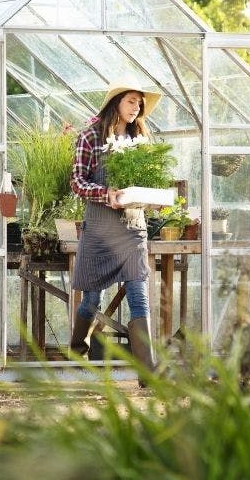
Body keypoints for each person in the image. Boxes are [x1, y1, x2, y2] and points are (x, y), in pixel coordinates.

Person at [68, 78, 162, 376]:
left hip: (132, 228)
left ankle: (148, 373)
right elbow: (77, 182)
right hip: (99, 229)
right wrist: (104, 194)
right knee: (93, 299)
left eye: (140, 103)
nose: (136, 108)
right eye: (131, 101)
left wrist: (152, 198)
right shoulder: (91, 137)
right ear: (116, 102)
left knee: (138, 292)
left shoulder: (142, 141)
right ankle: (77, 351)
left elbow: (150, 182)